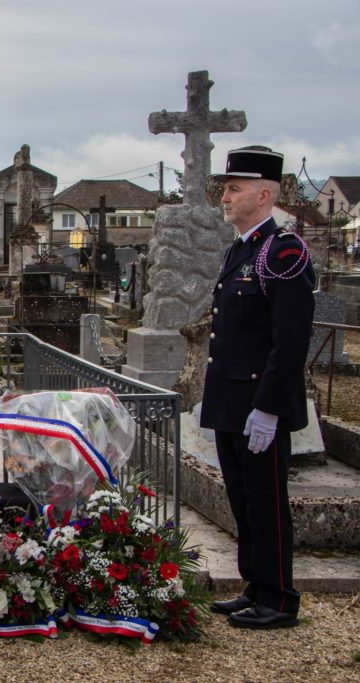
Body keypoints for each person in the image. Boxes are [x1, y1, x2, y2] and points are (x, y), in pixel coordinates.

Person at [200, 146, 315, 630]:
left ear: (264, 193)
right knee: (244, 501)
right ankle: (255, 586)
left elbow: (289, 342)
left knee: (267, 503)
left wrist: (268, 408)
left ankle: (280, 598)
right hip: (231, 401)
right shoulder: (241, 249)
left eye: (234, 188)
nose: (225, 196)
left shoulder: (283, 251)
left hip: (257, 406)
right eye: (226, 188)